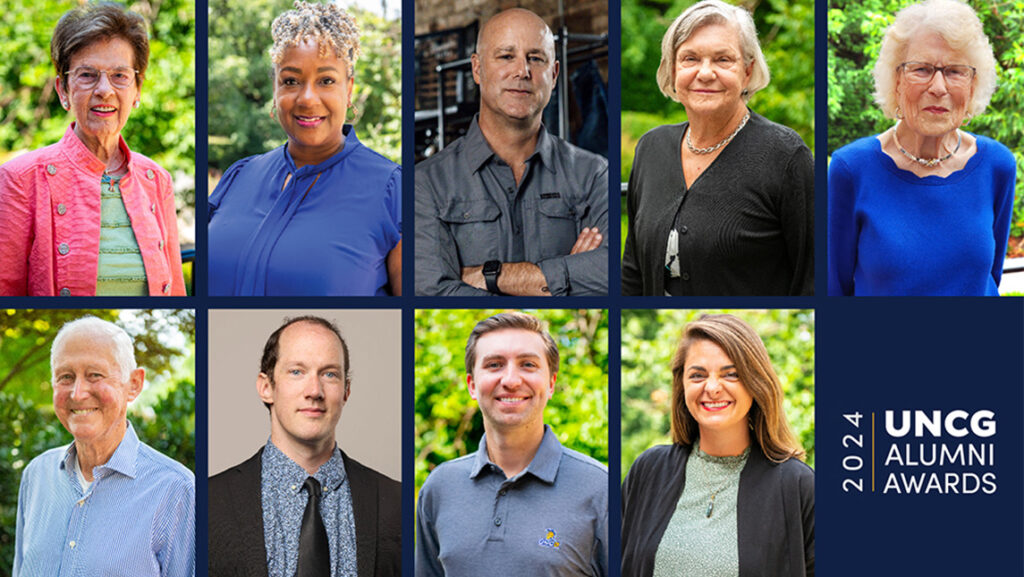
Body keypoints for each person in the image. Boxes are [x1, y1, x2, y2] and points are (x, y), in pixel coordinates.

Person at [208, 1, 401, 296]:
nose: (307, 98)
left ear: (348, 89)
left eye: (326, 80)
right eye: (291, 81)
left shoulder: (393, 189)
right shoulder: (238, 177)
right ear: (275, 89)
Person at [622, 0, 814, 296]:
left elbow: (811, 279)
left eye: (723, 59)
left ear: (748, 72)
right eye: (690, 58)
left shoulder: (785, 155)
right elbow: (632, 273)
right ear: (672, 69)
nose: (706, 73)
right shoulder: (651, 148)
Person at [415, 8, 609, 296]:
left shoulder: (594, 173)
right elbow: (432, 292)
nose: (522, 71)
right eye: (507, 56)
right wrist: (567, 278)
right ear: (477, 69)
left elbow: (608, 277)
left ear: (554, 74)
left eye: (535, 58)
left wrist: (491, 276)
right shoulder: (426, 183)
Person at [828, 0, 1015, 296]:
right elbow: (834, 288)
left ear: (972, 84)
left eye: (955, 71)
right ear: (897, 80)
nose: (939, 87)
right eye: (922, 69)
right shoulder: (851, 169)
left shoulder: (997, 165)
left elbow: (987, 278)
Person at [0, 2, 185, 296]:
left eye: (120, 76)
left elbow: (176, 293)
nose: (104, 89)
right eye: (87, 75)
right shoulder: (20, 178)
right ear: (63, 90)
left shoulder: (156, 179)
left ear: (137, 89)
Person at [415, 312, 608, 576]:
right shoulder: (439, 488)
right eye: (494, 365)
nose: (511, 380)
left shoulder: (600, 488)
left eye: (528, 364)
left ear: (551, 384)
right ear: (472, 385)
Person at [621, 314, 813, 577]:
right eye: (698, 375)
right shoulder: (649, 470)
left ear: (755, 382)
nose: (712, 387)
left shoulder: (796, 485)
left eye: (731, 374)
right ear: (682, 385)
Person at [208, 316, 401, 577]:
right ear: (266, 387)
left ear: (346, 390)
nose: (314, 390)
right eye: (297, 371)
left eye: (330, 374)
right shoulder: (209, 501)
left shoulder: (395, 502)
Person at [13, 317, 195, 576]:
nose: (77, 393)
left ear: (134, 385)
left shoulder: (176, 490)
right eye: (65, 377)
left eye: (94, 375)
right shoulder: (36, 475)